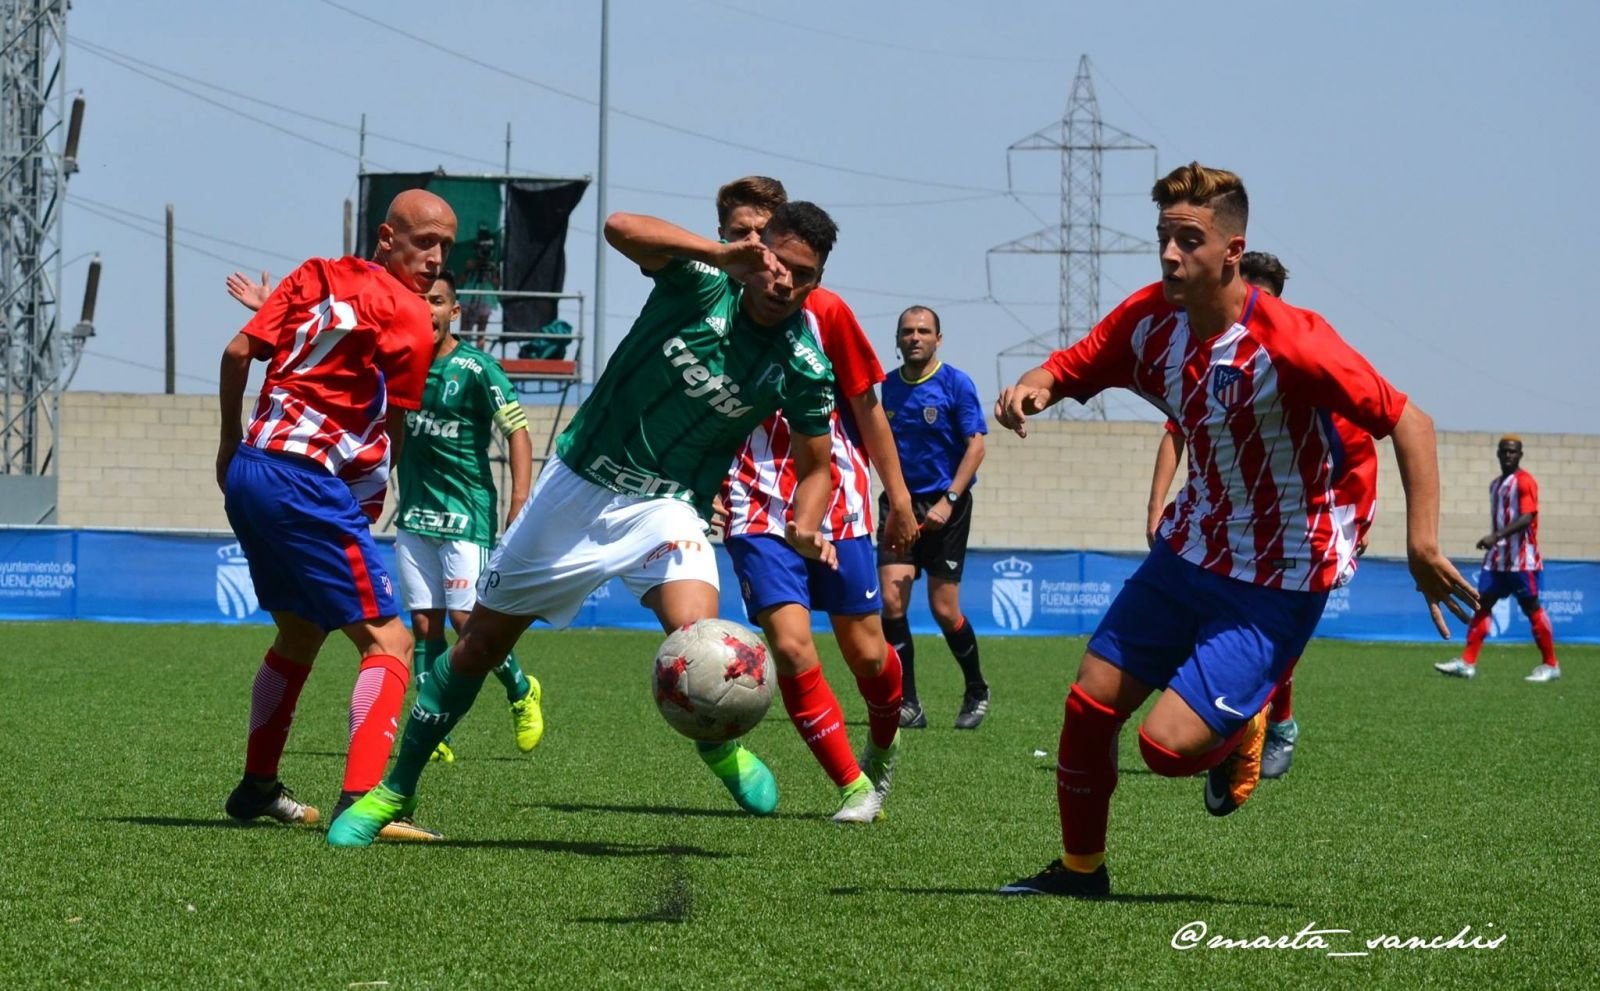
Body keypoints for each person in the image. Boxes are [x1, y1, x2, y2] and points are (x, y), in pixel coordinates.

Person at [993, 162, 1476, 898]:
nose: (1168, 254)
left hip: (1280, 572)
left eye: (1188, 239)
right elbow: (1073, 363)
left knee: (1164, 749)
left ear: (1231, 249)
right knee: (1088, 706)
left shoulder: (1294, 341)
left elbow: (1410, 420)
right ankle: (1081, 870)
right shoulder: (1150, 318)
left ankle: (1245, 720)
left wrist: (1423, 543)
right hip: (1194, 543)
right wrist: (1036, 385)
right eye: (1162, 236)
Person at [327, 202, 844, 847]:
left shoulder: (802, 362)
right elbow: (619, 227)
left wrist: (804, 523)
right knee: (479, 645)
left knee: (705, 639)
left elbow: (817, 464)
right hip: (576, 487)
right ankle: (394, 788)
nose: (785, 284)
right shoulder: (700, 283)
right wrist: (718, 254)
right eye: (779, 264)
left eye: (805, 275)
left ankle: (718, 746)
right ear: (758, 250)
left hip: (667, 506)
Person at [226, 270, 544, 767]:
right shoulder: (391, 355)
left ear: (454, 311)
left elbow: (517, 428)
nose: (429, 310)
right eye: (422, 300)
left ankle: (521, 691)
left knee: (461, 621)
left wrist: (519, 498)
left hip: (467, 512)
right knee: (416, 627)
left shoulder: (477, 369)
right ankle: (427, 724)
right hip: (412, 511)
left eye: (438, 301)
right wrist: (274, 311)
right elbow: (332, 343)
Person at [216, 189, 457, 831]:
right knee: (392, 642)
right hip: (306, 482)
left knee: (298, 633)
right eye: (424, 241)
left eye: (445, 247)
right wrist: (370, 500)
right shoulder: (410, 315)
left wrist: (226, 443)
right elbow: (396, 429)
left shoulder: (313, 273)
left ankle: (257, 788)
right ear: (386, 237)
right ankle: (363, 803)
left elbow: (239, 353)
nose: (434, 258)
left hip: (252, 469)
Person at [714, 177, 919, 823]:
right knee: (793, 645)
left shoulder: (828, 314)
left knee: (865, 652)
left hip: (837, 498)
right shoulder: (710, 303)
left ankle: (881, 747)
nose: (782, 276)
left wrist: (901, 496)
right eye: (744, 238)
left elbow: (867, 408)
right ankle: (854, 789)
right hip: (752, 501)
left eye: (805, 272)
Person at [1141, 250, 1379, 779]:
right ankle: (1232, 720)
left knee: (1265, 625)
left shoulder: (1298, 359)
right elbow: (1175, 433)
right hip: (1211, 523)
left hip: (1294, 529)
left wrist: (1352, 521)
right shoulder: (1210, 357)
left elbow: (1357, 446)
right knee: (1187, 629)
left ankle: (1278, 724)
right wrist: (1158, 504)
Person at [878, 306, 990, 730]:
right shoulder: (886, 389)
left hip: (947, 503)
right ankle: (908, 702)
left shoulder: (956, 384)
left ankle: (977, 688)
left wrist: (949, 498)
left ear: (938, 339)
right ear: (898, 338)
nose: (915, 338)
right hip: (899, 503)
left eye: (924, 331)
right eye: (907, 331)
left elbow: (976, 447)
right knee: (891, 601)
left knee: (945, 610)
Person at [1435, 436, 1561, 682]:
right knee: (1482, 605)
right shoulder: (1495, 485)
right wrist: (1495, 542)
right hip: (1497, 561)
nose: (1508, 456)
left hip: (1521, 560)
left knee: (1531, 607)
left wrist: (1496, 536)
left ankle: (1551, 664)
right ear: (1498, 454)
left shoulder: (1525, 482)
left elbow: (1527, 517)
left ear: (1520, 455)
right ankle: (1467, 663)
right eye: (1504, 452)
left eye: (1513, 452)